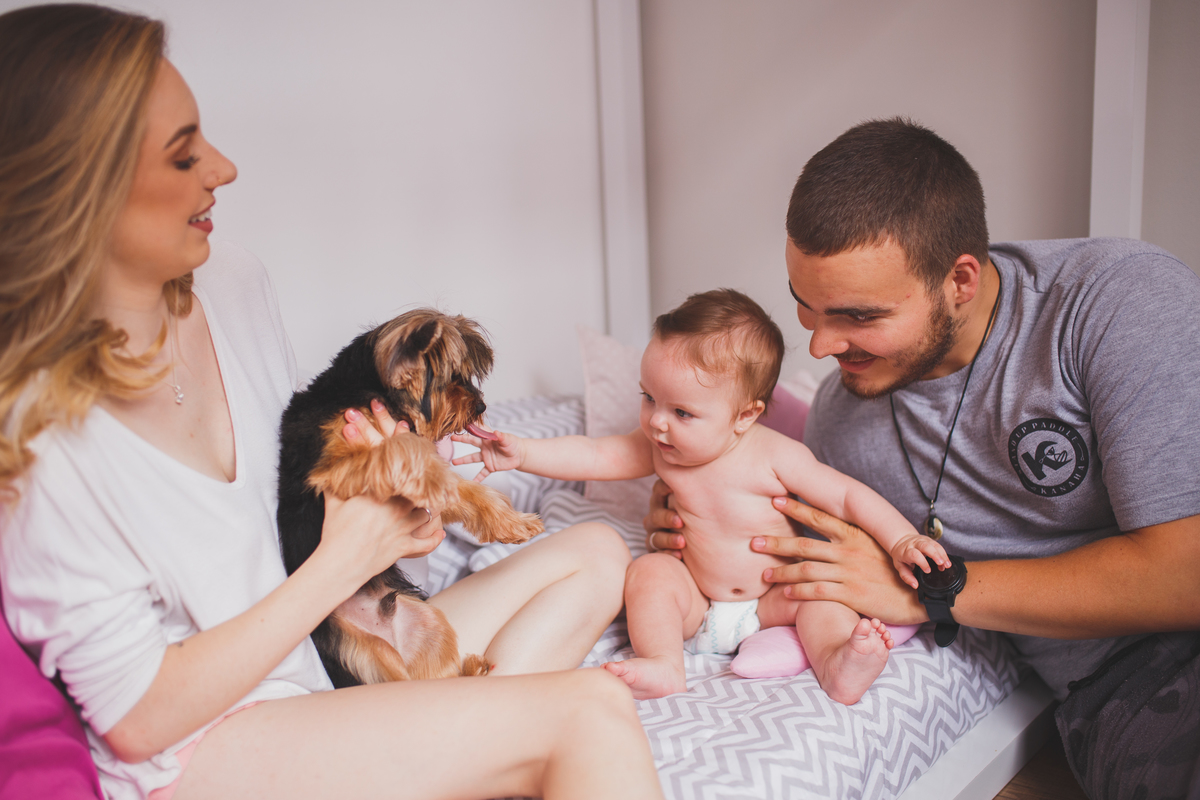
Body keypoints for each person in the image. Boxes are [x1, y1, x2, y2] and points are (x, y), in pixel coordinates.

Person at [0, 6, 664, 800]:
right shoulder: (36, 433)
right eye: (184, 157)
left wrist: (392, 521)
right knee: (588, 712)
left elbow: (289, 507)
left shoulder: (233, 282)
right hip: (203, 747)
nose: (223, 167)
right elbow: (136, 717)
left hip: (315, 663)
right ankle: (499, 744)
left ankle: (471, 748)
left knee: (596, 552)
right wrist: (345, 559)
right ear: (82, 191)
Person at [645, 117, 1200, 799]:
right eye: (805, 308)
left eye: (858, 316)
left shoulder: (1113, 301)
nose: (820, 348)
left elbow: (1188, 570)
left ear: (959, 280)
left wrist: (932, 593)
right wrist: (696, 499)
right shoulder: (842, 421)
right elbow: (781, 552)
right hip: (1123, 687)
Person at [455, 288, 949, 704]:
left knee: (821, 596)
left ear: (745, 416)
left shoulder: (777, 455)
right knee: (649, 572)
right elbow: (596, 455)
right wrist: (521, 453)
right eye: (648, 398)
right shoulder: (662, 449)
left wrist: (902, 540)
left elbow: (848, 498)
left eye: (683, 412)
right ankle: (665, 663)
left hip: (773, 596)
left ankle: (839, 665)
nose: (658, 421)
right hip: (698, 602)